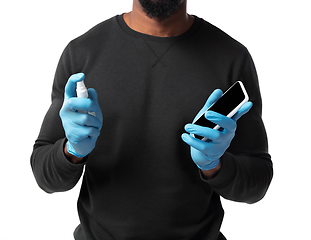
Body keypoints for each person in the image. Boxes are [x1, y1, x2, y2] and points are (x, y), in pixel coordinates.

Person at [30, 0, 273, 239]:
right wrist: (71, 151)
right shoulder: (82, 52)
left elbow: (257, 184)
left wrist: (214, 166)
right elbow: (46, 176)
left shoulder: (231, 57)